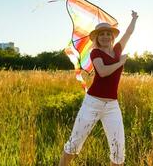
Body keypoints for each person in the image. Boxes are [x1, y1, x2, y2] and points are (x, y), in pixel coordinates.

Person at [59, 11, 138, 166]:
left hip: (112, 106)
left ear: (112, 37)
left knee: (118, 150)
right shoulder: (95, 52)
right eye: (101, 34)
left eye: (108, 34)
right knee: (74, 143)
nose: (105, 36)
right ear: (97, 37)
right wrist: (120, 63)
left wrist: (134, 19)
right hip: (92, 103)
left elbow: (128, 33)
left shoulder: (117, 50)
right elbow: (102, 72)